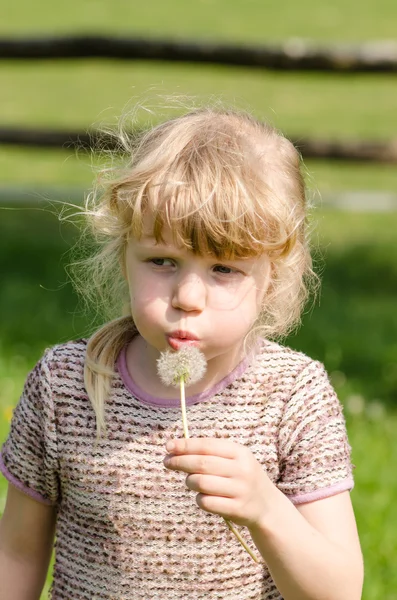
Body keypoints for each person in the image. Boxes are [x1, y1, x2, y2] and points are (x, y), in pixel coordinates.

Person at [0, 105, 363, 600]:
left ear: (271, 276)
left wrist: (266, 508)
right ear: (125, 257)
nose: (188, 297)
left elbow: (339, 591)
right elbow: (17, 553)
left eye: (223, 269)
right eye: (162, 261)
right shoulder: (65, 386)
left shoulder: (292, 397)